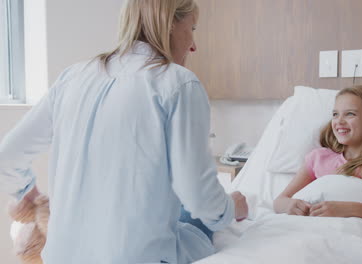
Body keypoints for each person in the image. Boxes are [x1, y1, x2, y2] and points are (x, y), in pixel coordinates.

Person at [0, 0, 248, 263]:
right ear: (170, 24)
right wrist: (232, 207)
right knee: (195, 213)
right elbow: (200, 198)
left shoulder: (72, 77)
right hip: (139, 258)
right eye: (193, 28)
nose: (193, 45)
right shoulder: (179, 83)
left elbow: (7, 156)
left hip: (62, 257)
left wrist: (27, 190)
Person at [273, 85, 362, 230]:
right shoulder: (318, 158)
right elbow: (279, 202)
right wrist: (290, 205)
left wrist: (348, 209)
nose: (339, 121)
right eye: (335, 114)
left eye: (350, 114)